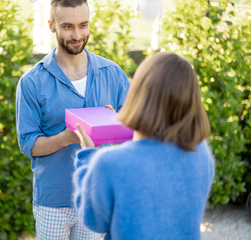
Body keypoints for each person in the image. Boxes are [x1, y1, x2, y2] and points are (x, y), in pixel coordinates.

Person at [16, 0, 130, 239]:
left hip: (96, 196)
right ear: (52, 26)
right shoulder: (32, 82)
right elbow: (29, 145)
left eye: (83, 25)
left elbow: (135, 132)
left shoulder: (113, 74)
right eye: (68, 27)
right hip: (53, 200)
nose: (77, 35)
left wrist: (114, 125)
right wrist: (67, 138)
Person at [73, 52, 215, 240]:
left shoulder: (109, 163)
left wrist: (88, 157)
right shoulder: (200, 152)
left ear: (139, 95)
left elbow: (93, 220)